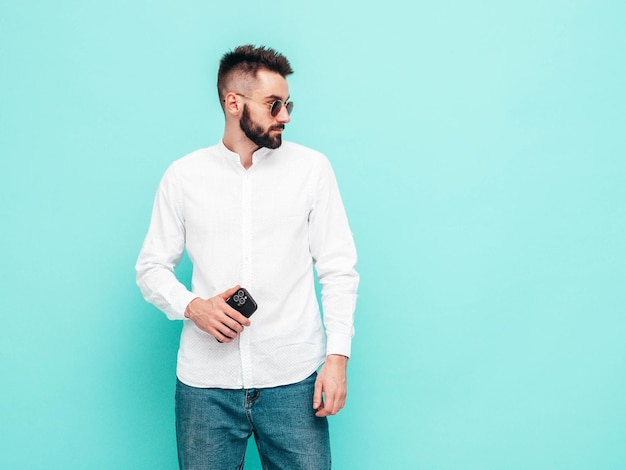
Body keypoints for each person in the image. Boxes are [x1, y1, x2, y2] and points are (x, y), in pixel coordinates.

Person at [135, 44, 359, 469]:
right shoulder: (184, 177)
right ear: (233, 102)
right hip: (205, 389)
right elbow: (151, 268)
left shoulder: (312, 170)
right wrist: (193, 307)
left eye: (288, 104)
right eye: (274, 105)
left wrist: (337, 357)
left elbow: (338, 269)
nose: (286, 116)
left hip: (294, 382)